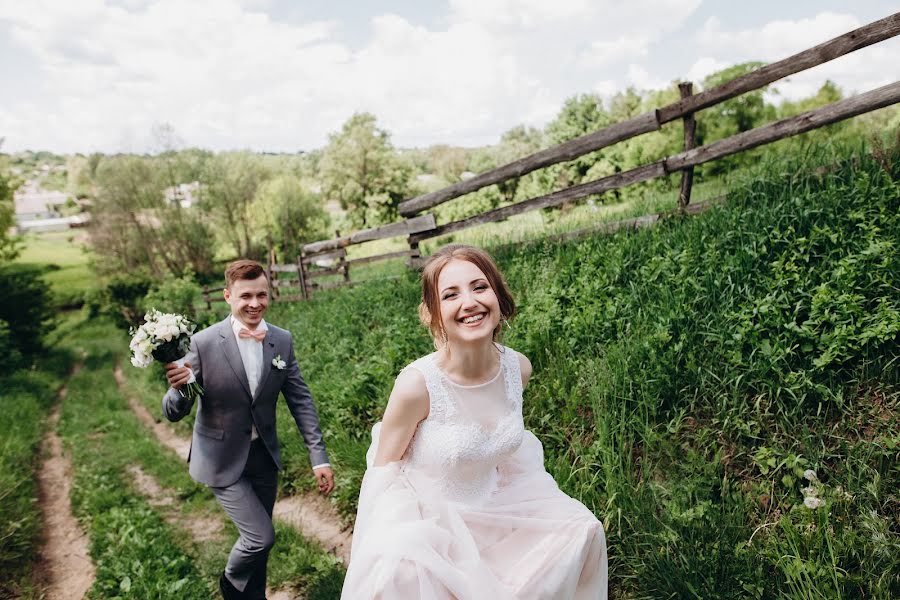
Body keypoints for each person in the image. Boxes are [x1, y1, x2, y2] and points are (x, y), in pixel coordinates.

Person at [341, 244, 607, 599]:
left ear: (498, 295)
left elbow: (512, 455)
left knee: (582, 530)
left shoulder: (519, 369)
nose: (470, 302)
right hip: (431, 522)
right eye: (451, 295)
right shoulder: (418, 385)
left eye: (480, 287)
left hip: (496, 508)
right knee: (405, 574)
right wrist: (390, 545)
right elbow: (383, 473)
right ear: (432, 313)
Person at [162, 259, 334, 600]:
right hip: (221, 459)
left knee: (261, 542)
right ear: (228, 296)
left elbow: (301, 401)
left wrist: (319, 458)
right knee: (260, 537)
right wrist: (180, 389)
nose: (255, 303)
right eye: (245, 296)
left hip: (263, 458)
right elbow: (171, 412)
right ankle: (231, 583)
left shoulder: (281, 341)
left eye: (261, 295)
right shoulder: (203, 343)